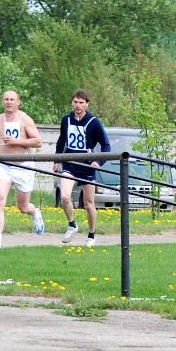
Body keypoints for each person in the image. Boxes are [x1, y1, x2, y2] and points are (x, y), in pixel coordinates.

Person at [0, 90, 45, 249]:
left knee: (22, 207)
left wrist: (16, 141)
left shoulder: (25, 119)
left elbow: (38, 141)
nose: (9, 102)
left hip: (23, 166)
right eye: (6, 99)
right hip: (3, 165)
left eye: (12, 99)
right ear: (2, 101)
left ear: (18, 102)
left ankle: (34, 212)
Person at [54, 91, 110, 247]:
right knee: (65, 197)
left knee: (88, 204)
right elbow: (61, 141)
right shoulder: (66, 120)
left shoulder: (94, 122)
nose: (78, 105)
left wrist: (98, 162)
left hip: (86, 166)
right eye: (76, 102)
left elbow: (106, 146)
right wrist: (56, 160)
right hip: (70, 165)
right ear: (72, 103)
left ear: (87, 104)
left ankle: (91, 235)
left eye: (81, 102)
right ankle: (72, 225)